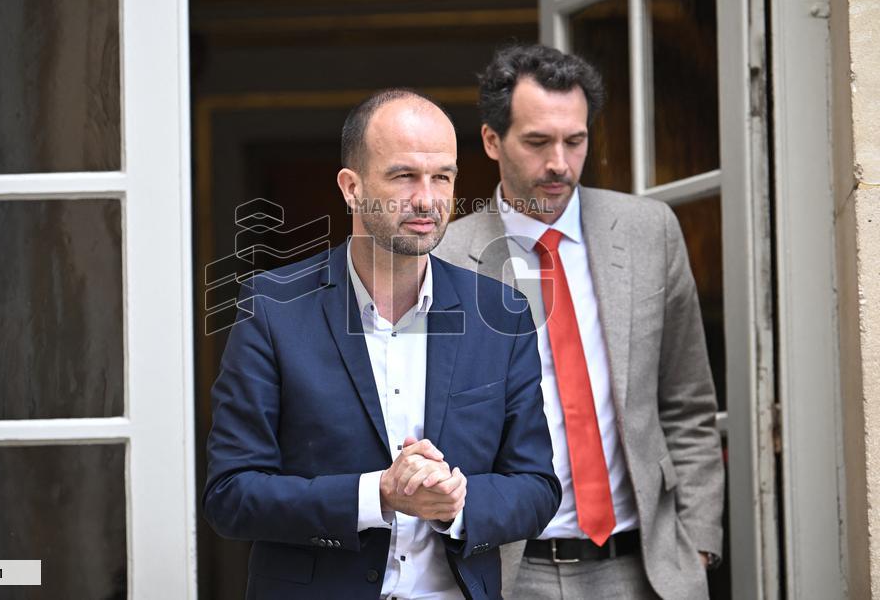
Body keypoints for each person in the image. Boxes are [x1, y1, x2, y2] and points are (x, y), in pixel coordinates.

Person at [204, 88, 562, 599]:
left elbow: (536, 488)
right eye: (403, 176)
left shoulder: (500, 314)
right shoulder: (271, 308)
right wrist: (378, 495)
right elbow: (230, 495)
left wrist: (458, 501)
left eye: (442, 176)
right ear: (351, 188)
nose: (427, 198)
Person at [433, 44, 724, 599]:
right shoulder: (445, 256)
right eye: (538, 142)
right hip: (508, 567)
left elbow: (687, 401)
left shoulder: (650, 231)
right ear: (493, 141)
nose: (559, 163)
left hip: (641, 566)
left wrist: (698, 539)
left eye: (576, 140)